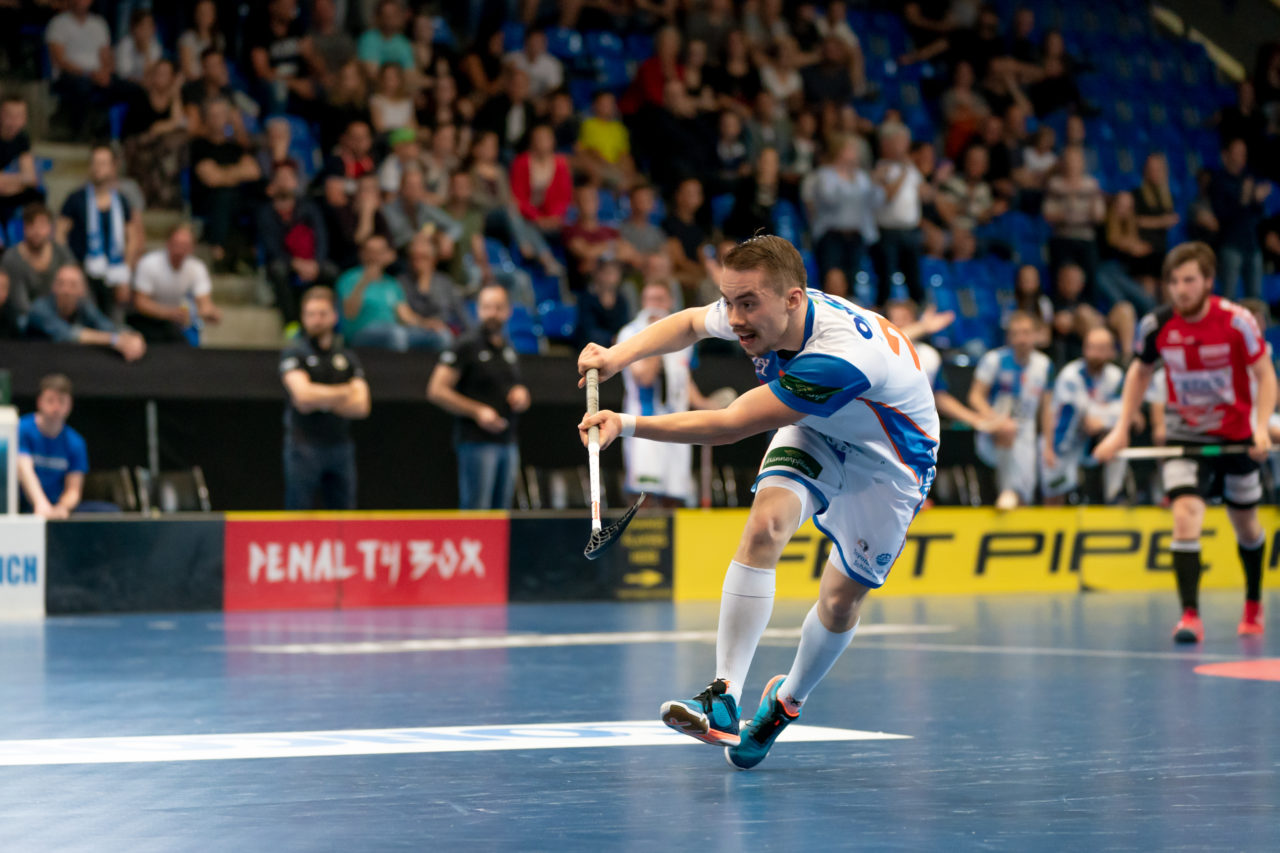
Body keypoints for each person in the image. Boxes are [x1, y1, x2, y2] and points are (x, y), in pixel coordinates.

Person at [576, 235, 939, 770]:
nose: (735, 318)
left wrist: (626, 424)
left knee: (840, 603)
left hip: (890, 460)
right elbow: (690, 323)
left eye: (746, 305)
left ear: (793, 299)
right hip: (816, 429)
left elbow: (729, 425)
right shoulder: (761, 308)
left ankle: (786, 702)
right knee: (765, 527)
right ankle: (723, 697)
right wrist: (615, 356)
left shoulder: (837, 358)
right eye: (729, 302)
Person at [1096, 242, 1276, 641]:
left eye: (1189, 280)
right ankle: (1190, 616)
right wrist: (1121, 428)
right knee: (1185, 515)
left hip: (1236, 436)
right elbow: (1139, 373)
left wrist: (1261, 427)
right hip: (1185, 434)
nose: (1180, 289)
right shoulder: (1156, 325)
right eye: (1174, 281)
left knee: (1246, 526)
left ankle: (1253, 602)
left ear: (1209, 281)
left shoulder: (1238, 321)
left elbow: (1265, 375)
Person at [428, 283, 531, 510]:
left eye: (498, 307)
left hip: (508, 441)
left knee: (502, 513)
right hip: (476, 442)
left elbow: (517, 387)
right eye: (487, 307)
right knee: (477, 512)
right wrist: (477, 411)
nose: (492, 313)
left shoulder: (509, 348)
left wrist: (521, 395)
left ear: (508, 311)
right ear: (478, 309)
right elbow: (436, 390)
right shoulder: (466, 345)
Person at [618, 281, 715, 506]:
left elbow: (683, 379)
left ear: (671, 302)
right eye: (650, 300)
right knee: (643, 496)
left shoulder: (684, 336)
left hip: (677, 424)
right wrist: (656, 339)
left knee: (674, 496)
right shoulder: (630, 333)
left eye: (660, 300)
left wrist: (704, 404)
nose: (654, 305)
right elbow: (644, 377)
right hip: (644, 425)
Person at [279, 286, 372, 510]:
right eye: (310, 314)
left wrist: (319, 399)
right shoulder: (294, 353)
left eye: (322, 314)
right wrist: (345, 392)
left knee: (344, 517)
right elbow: (303, 398)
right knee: (298, 515)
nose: (316, 320)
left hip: (340, 445)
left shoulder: (347, 357)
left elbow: (362, 406)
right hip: (303, 446)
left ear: (334, 316)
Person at [967, 311, 1053, 509]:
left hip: (1027, 430)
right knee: (1008, 430)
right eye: (1016, 333)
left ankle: (1016, 501)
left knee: (1025, 496)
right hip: (995, 427)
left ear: (1036, 334)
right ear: (1009, 337)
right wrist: (997, 420)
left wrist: (1049, 444)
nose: (1021, 339)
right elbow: (975, 397)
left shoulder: (1044, 365)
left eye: (1026, 333)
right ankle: (1007, 489)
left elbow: (1047, 409)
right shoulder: (994, 360)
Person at [1040, 327, 1127, 505]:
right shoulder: (1071, 375)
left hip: (1091, 444)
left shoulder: (1116, 376)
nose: (1094, 354)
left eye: (1101, 348)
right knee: (1054, 496)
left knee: (1119, 438)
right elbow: (1086, 416)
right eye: (1091, 347)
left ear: (1112, 351)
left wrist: (1107, 418)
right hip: (1061, 444)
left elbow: (1124, 411)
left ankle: (1114, 497)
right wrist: (1108, 412)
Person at [58, 146, 141, 311]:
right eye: (95, 163)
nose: (98, 168)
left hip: (114, 272)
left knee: (115, 317)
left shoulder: (121, 201)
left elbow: (132, 238)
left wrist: (125, 274)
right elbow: (59, 235)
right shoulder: (75, 199)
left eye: (103, 163)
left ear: (113, 167)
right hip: (82, 271)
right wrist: (71, 269)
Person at [259, 164, 337, 328]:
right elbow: (271, 246)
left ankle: (326, 323)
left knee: (331, 272)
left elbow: (321, 237)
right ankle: (292, 324)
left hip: (311, 261)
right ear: (272, 184)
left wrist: (316, 263)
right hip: (285, 261)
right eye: (280, 178)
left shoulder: (309, 209)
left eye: (288, 178)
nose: (284, 183)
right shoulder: (266, 212)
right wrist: (294, 262)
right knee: (278, 270)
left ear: (296, 182)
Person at [189, 98, 262, 267]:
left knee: (259, 197)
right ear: (206, 118)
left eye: (222, 115)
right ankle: (218, 252)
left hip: (236, 199)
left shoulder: (235, 147)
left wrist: (223, 173)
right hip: (207, 200)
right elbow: (211, 179)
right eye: (213, 115)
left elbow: (254, 172)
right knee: (223, 195)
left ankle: (254, 252)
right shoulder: (199, 146)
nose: (218, 119)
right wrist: (237, 172)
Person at [25, 264, 146, 362]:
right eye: (61, 283)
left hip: (69, 361)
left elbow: (106, 325)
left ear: (82, 290)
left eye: (72, 285)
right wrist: (115, 340)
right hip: (34, 360)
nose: (66, 290)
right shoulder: (39, 309)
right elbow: (68, 334)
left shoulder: (84, 306)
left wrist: (132, 335)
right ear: (53, 287)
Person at [128, 223, 222, 344]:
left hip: (176, 324)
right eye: (176, 244)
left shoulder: (197, 268)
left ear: (192, 248)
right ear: (168, 243)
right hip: (146, 321)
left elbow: (204, 302)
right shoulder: (149, 263)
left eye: (185, 245)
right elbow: (140, 302)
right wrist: (170, 313)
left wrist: (210, 313)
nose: (179, 250)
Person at [17, 374, 88, 518]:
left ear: (69, 404)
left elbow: (73, 490)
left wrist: (62, 507)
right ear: (39, 402)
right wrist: (40, 503)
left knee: (109, 510)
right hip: (23, 504)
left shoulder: (76, 442)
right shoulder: (21, 429)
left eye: (61, 401)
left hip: (55, 506)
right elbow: (23, 468)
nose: (56, 407)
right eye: (50, 400)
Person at [45, 0, 117, 138]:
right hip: (68, 75)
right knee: (82, 86)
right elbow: (60, 60)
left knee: (127, 88)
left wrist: (105, 73)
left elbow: (106, 56)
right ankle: (78, 132)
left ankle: (112, 133)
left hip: (97, 74)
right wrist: (89, 74)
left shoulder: (99, 24)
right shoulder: (58, 23)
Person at [1209, 139, 1269, 302]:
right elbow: (1222, 215)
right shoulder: (1219, 181)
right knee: (1229, 295)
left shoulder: (1248, 178)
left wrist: (1256, 199)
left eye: (1243, 153)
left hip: (1251, 244)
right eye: (1237, 153)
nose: (1241, 157)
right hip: (1230, 245)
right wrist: (1244, 198)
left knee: (1255, 296)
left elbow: (1258, 214)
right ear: (1226, 155)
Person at [1, 204, 75, 319]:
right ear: (24, 228)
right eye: (31, 225)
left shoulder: (61, 252)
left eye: (42, 226)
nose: (37, 231)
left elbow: (78, 287)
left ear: (50, 228)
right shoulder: (12, 258)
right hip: (26, 318)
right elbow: (20, 305)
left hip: (61, 313)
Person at [335, 234, 405, 348]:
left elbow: (404, 314)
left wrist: (425, 324)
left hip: (391, 330)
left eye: (380, 252)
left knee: (435, 337)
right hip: (359, 333)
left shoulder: (392, 283)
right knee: (397, 334)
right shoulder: (349, 278)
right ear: (362, 254)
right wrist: (364, 282)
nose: (375, 256)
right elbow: (349, 313)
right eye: (371, 251)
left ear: (386, 255)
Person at [0, 96, 43, 226]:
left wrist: (8, 181)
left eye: (19, 116)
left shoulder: (22, 139)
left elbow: (31, 178)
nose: (14, 121)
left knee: (36, 195)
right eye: (10, 116)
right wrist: (20, 179)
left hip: (12, 192)